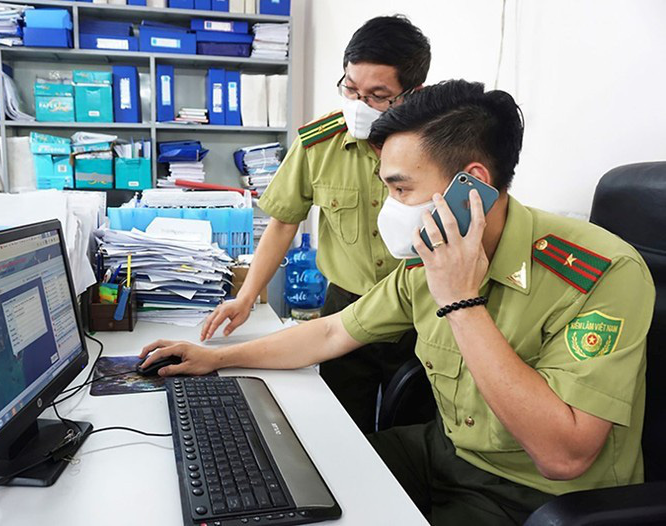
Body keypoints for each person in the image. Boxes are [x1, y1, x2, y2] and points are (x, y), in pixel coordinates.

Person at [140, 80, 655, 524]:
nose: (391, 209)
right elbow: (333, 332)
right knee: (289, 476)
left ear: (469, 186)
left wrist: (461, 301)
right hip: (446, 450)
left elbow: (562, 457)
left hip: (535, 495)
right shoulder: (427, 258)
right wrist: (216, 359)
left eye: (401, 190)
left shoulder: (601, 272)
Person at [200, 15, 432, 433]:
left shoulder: (436, 149)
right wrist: (246, 296)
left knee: (414, 431)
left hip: (423, 314)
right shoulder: (318, 144)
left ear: (413, 95)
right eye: (351, 88)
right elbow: (283, 223)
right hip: (345, 307)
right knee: (343, 427)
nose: (360, 105)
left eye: (379, 96)